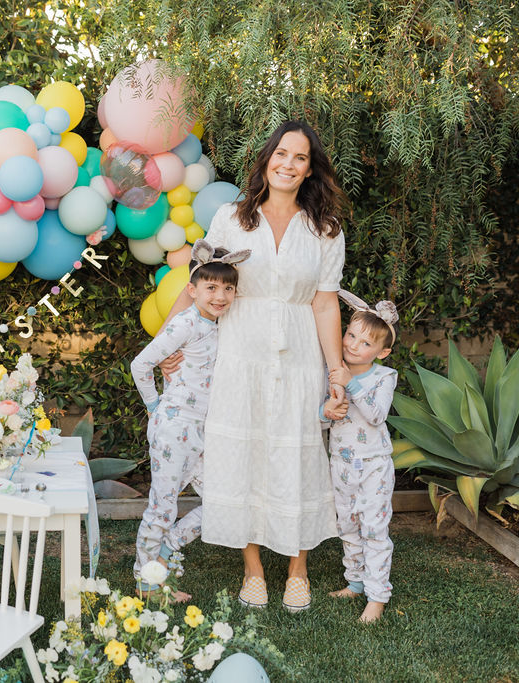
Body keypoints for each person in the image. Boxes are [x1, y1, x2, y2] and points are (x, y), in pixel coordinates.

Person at [160, 120, 348, 612]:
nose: (289, 164)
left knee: (298, 455)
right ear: (267, 159)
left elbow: (325, 303)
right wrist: (167, 344)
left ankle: (298, 570)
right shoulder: (231, 218)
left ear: (310, 170)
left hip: (300, 355)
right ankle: (253, 570)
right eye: (281, 153)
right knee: (241, 455)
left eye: (300, 157)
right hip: (238, 352)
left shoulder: (325, 229)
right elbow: (198, 284)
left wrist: (336, 370)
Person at [130, 240, 251, 601]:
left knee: (221, 501)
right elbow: (140, 365)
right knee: (162, 506)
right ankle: (147, 583)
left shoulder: (220, 325)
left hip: (203, 428)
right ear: (192, 290)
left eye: (228, 288)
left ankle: (166, 549)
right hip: (174, 426)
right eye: (211, 288)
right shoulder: (185, 323)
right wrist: (155, 407)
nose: (220, 296)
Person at [321, 290, 399, 624]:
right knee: (348, 525)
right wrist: (326, 411)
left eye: (365, 343)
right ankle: (355, 582)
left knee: (373, 528)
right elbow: (321, 418)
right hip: (341, 464)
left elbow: (377, 415)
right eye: (351, 335)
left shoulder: (384, 377)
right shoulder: (332, 371)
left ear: (383, 352)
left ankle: (377, 596)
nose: (353, 345)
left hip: (373, 466)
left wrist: (351, 384)